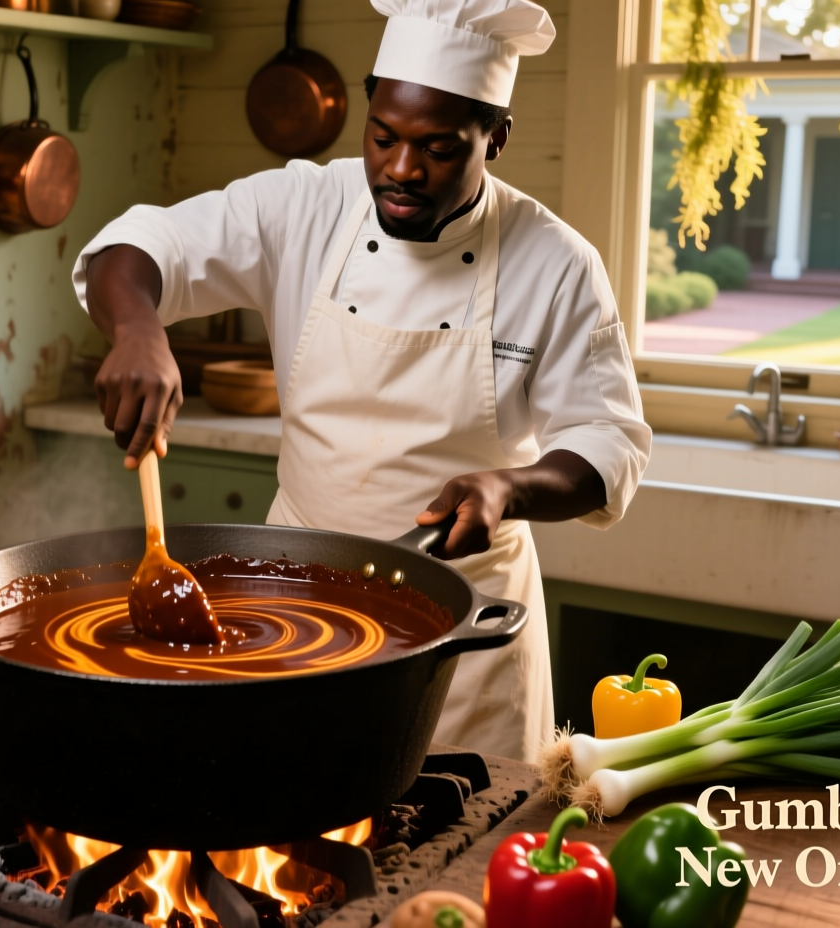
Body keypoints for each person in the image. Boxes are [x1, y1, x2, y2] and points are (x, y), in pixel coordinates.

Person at [74, 0, 650, 761]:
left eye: (439, 149)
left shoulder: (556, 262)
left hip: (463, 627)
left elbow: (607, 439)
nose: (402, 169)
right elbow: (144, 244)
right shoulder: (304, 205)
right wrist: (140, 329)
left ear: (496, 138)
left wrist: (511, 488)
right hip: (289, 599)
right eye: (384, 138)